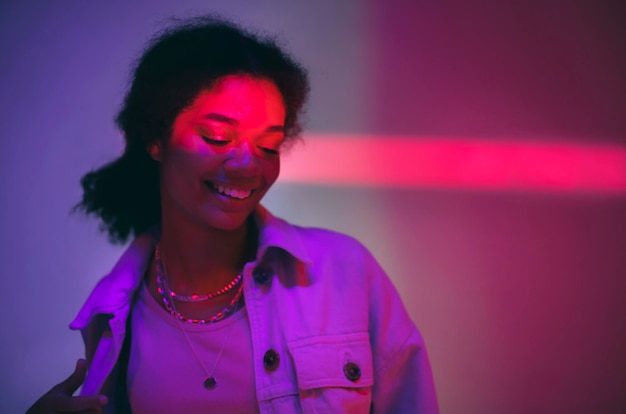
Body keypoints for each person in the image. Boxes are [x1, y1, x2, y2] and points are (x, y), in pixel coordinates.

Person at [27, 16, 438, 414]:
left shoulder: (345, 272)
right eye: (217, 137)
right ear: (156, 138)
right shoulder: (113, 315)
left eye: (268, 146)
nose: (247, 165)